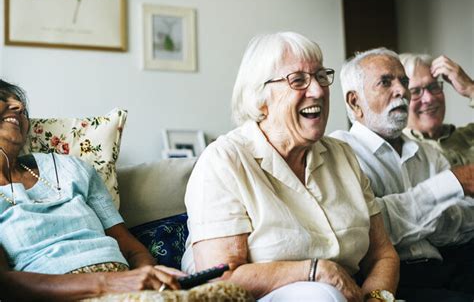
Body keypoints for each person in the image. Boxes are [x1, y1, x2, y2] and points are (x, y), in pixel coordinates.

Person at [181, 32, 399, 302]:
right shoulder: (224, 161)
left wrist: (377, 297)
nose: (318, 90)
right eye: (298, 80)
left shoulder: (343, 155)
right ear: (261, 98)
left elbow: (383, 254)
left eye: (321, 76)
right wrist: (316, 271)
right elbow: (220, 278)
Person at [0, 79, 188, 301]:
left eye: (20, 105)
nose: (20, 107)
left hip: (127, 290)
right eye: (4, 99)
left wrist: (151, 278)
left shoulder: (70, 167)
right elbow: (4, 283)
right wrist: (106, 284)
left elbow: (132, 249)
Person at [331, 48, 474, 301]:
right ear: (355, 101)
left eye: (404, 82)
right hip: (392, 277)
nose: (402, 91)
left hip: (446, 263)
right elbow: (369, 228)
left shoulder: (427, 154)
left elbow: (457, 225)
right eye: (386, 82)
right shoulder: (340, 152)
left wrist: (418, 214)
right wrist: (450, 185)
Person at [399, 53, 474, 167]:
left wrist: (470, 89)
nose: (429, 99)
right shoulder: (398, 151)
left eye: (433, 87)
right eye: (415, 91)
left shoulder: (469, 136)